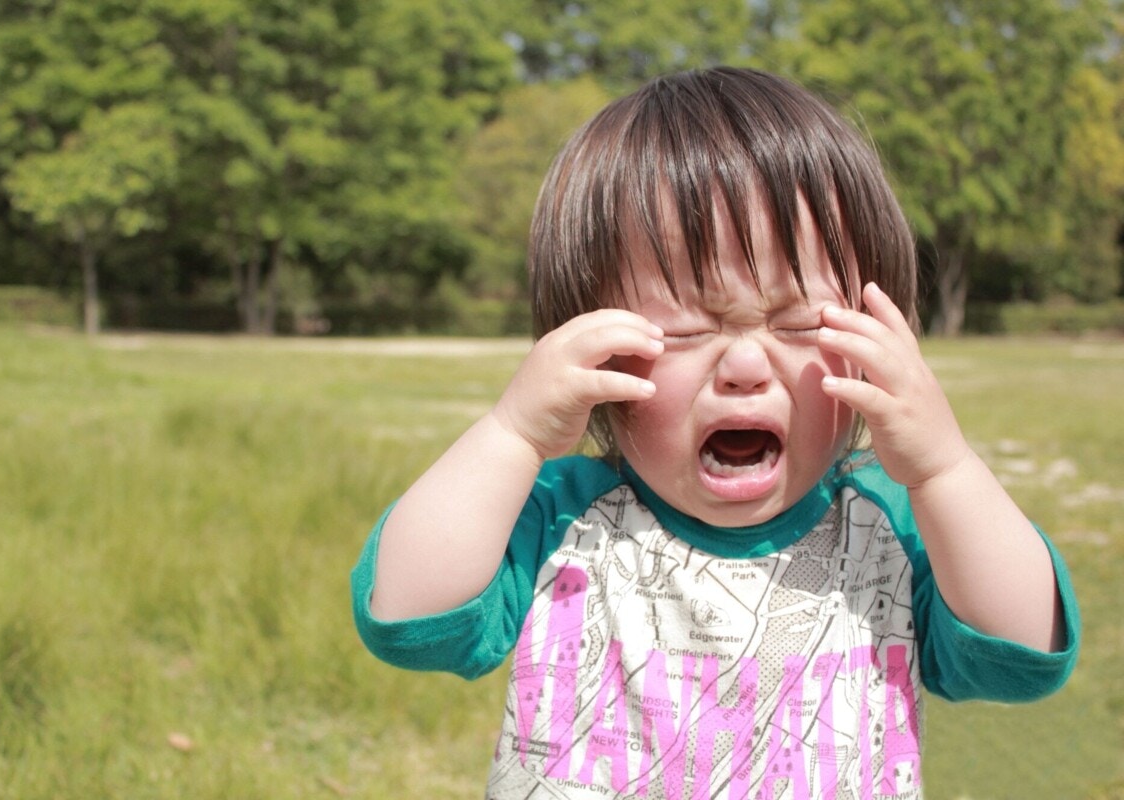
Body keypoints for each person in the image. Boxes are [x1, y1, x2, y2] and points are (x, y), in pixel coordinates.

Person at [350, 66, 1079, 799]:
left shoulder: (887, 525)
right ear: (586, 342)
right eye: (685, 328)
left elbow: (1020, 653)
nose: (744, 363)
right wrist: (513, 434)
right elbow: (412, 616)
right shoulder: (560, 520)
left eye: (800, 323)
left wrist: (944, 471)